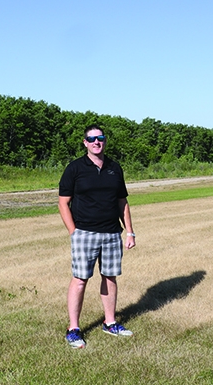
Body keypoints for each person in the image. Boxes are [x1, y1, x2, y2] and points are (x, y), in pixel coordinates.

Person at [58, 125, 136, 349]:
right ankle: (73, 329)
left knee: (110, 277)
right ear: (85, 143)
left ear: (105, 140)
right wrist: (74, 231)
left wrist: (129, 231)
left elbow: (122, 202)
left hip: (112, 233)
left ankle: (109, 322)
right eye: (91, 139)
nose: (96, 142)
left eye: (100, 138)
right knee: (80, 279)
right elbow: (63, 202)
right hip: (85, 233)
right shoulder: (75, 168)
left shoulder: (114, 168)